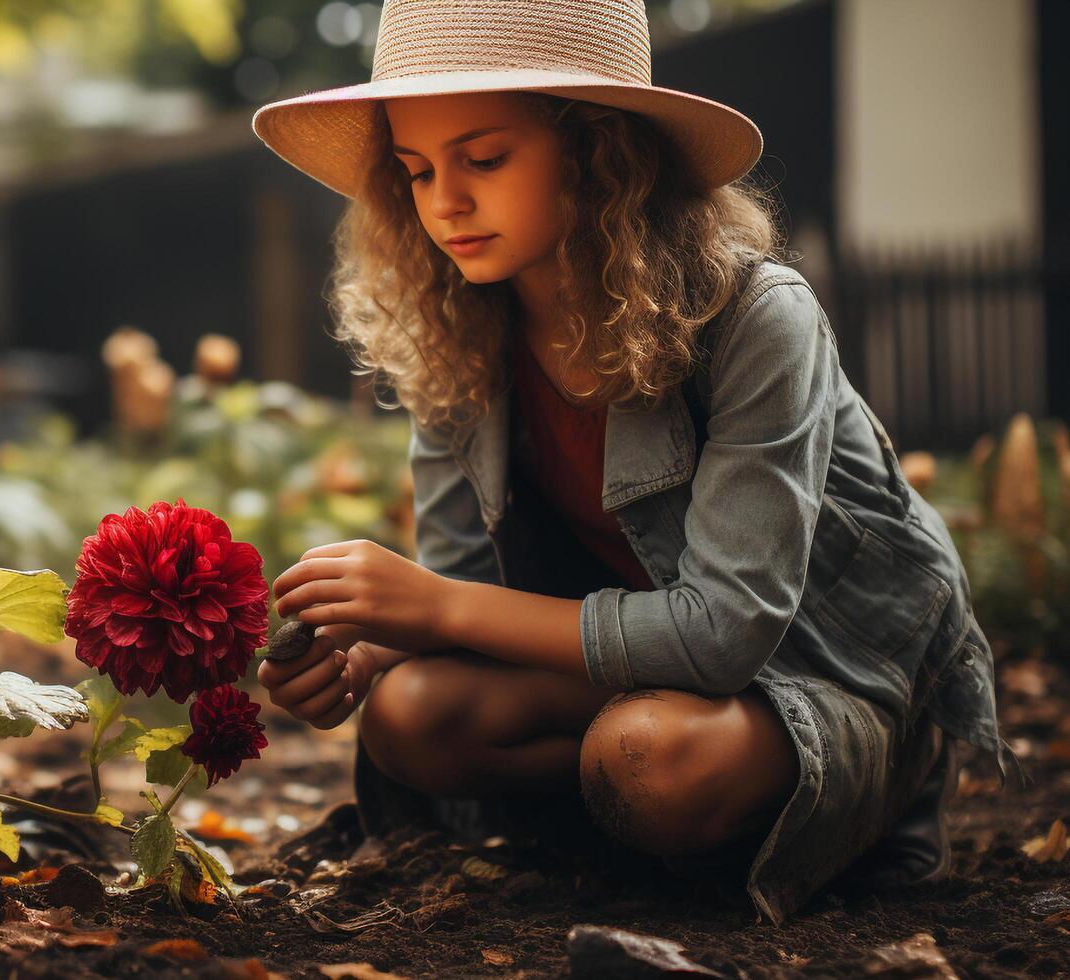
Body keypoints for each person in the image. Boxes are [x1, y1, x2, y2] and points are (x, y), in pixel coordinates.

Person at [251, 0, 1019, 924]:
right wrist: (363, 650)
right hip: (626, 691)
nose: (443, 202)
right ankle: (640, 836)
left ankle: (851, 799)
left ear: (597, 149)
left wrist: (436, 605)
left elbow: (725, 633)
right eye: (415, 170)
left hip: (814, 682)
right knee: (410, 717)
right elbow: (466, 592)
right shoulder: (458, 332)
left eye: (484, 159)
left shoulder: (752, 319)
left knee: (649, 758)